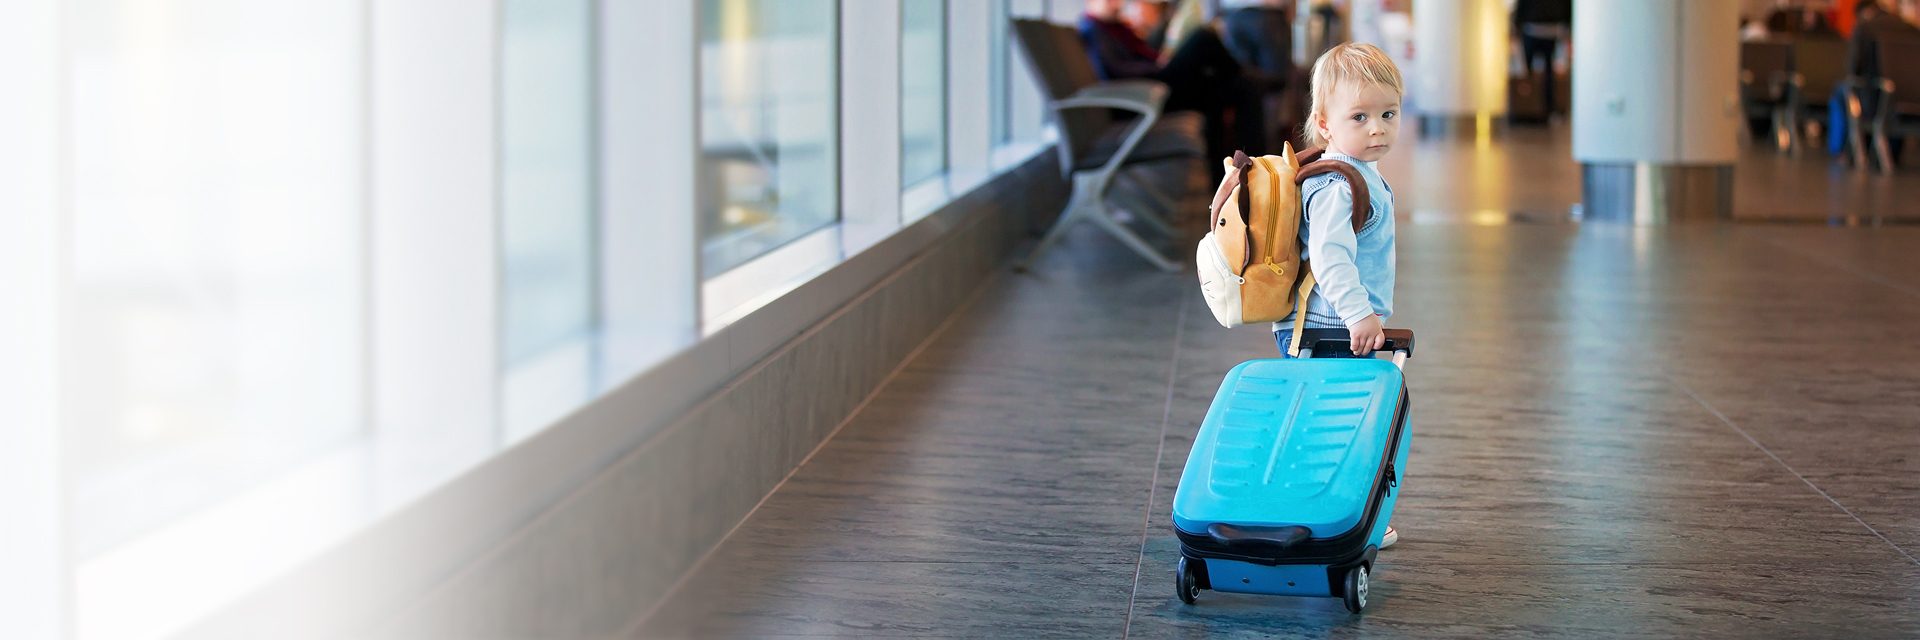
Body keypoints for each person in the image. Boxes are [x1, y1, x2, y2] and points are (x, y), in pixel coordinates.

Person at [1272, 42, 1403, 548]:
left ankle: (1331, 516)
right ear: (1324, 124)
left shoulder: (1356, 173)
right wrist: (1359, 315)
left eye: (1388, 113)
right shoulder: (1338, 186)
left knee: (1338, 425)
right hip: (1327, 329)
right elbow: (1329, 260)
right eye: (1360, 116)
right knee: (1331, 428)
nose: (1378, 128)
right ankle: (1323, 521)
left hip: (1331, 326)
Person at [1080, 0, 1270, 163]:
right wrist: (1156, 68)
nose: (1116, 3)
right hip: (1145, 94)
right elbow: (1112, 71)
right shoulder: (1094, 28)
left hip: (1152, 86)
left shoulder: (1114, 27)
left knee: (1242, 89)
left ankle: (1245, 174)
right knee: (1203, 38)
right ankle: (1247, 73)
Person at [1834, 0, 1920, 159]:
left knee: (1842, 90)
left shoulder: (1864, 28)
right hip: (1912, 100)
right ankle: (1891, 151)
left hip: (1875, 101)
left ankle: (1840, 150)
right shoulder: (1912, 29)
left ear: (1862, 13)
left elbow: (1853, 68)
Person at [1512, 0, 1572, 117]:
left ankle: (1529, 106)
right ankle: (1544, 107)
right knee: (1547, 71)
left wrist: (1517, 25)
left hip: (1534, 28)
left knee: (1529, 72)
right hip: (1548, 29)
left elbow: (1521, 6)